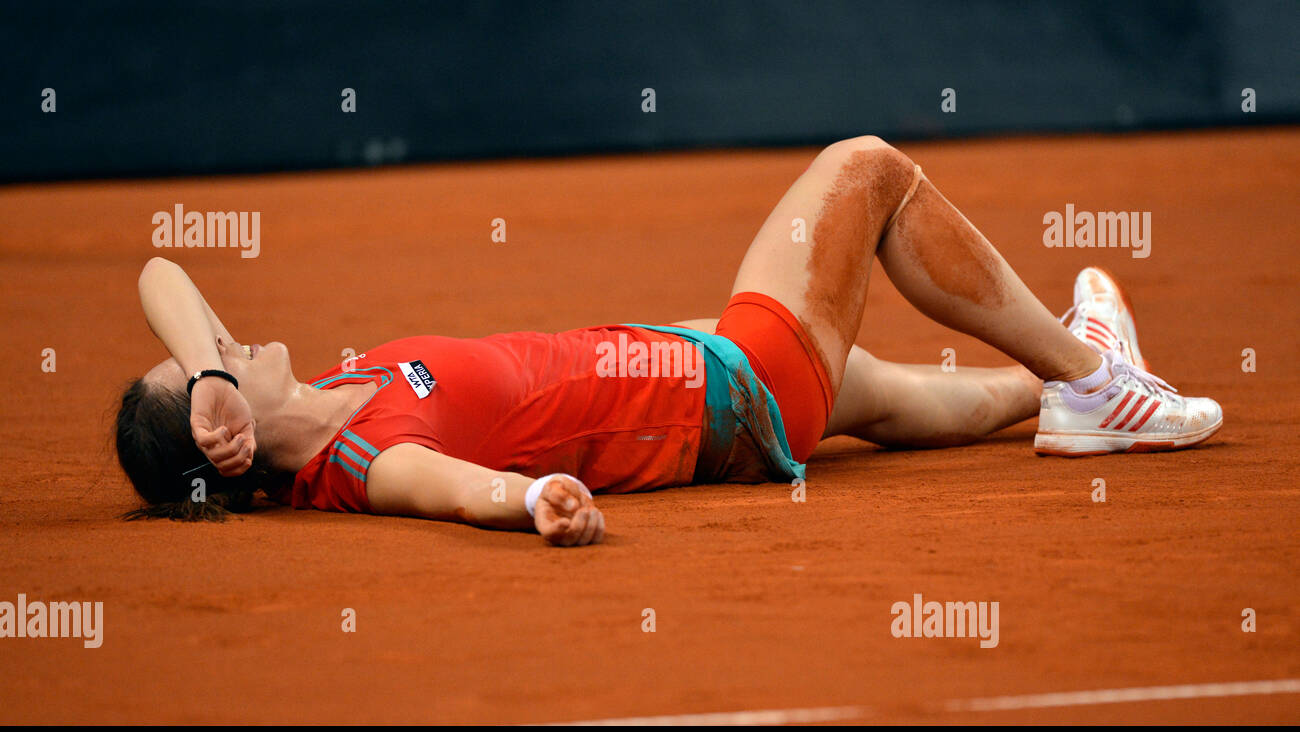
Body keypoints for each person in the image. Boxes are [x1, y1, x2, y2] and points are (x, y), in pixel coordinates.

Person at [115, 136, 1222, 546]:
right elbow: (457, 490)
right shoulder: (365, 458)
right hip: (738, 380)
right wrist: (534, 499)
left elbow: (160, 271)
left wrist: (206, 373)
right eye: (206, 364)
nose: (224, 339)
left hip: (715, 393)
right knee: (869, 168)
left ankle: (1060, 378)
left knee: (919, 397)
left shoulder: (317, 388)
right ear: (227, 437)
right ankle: (1092, 380)